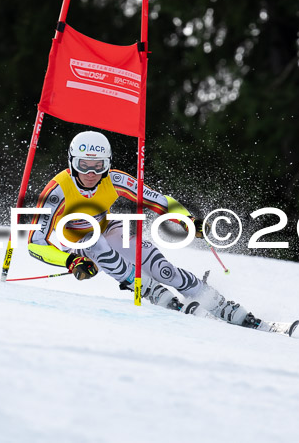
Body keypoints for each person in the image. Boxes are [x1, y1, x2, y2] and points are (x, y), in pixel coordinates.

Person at [27, 130, 267, 330]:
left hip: (108, 227)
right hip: (77, 242)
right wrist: (70, 261)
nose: (91, 174)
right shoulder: (56, 191)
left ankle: (216, 302)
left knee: (161, 268)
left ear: (107, 164)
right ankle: (149, 289)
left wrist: (188, 220)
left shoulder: (115, 179)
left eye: (98, 166)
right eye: (83, 165)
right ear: (71, 162)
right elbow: (35, 243)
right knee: (93, 241)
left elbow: (159, 201)